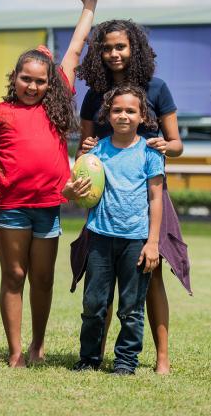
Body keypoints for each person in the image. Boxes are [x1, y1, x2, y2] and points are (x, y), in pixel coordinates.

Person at [0, 0, 97, 367]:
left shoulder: (57, 103)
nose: (32, 86)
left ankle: (37, 344)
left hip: (48, 207)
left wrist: (89, 6)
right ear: (14, 77)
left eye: (40, 81)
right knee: (14, 274)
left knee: (43, 278)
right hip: (9, 207)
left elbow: (76, 49)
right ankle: (15, 351)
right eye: (26, 79)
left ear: (51, 83)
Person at [71, 19, 190, 374]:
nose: (113, 53)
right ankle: (96, 356)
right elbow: (84, 150)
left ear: (134, 48)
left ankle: (161, 358)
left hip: (147, 194)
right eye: (106, 47)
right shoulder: (95, 95)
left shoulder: (156, 88)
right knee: (99, 285)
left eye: (120, 46)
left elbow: (178, 144)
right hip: (104, 204)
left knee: (150, 277)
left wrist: (164, 146)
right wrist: (87, 148)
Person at [64, 84, 164, 375]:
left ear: (142, 115)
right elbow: (77, 193)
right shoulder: (96, 152)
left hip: (136, 240)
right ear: (107, 115)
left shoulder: (149, 152)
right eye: (117, 110)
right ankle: (89, 358)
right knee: (94, 304)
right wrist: (71, 190)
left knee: (131, 308)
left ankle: (125, 361)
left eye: (131, 110)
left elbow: (156, 198)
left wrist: (153, 242)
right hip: (99, 238)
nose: (123, 115)